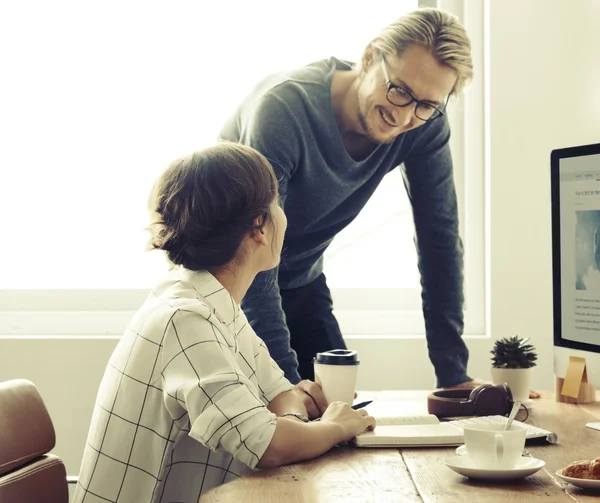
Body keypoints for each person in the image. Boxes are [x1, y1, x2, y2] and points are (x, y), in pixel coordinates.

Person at [72, 142, 375, 503]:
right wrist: (333, 426)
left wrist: (294, 422)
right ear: (258, 227)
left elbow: (283, 394)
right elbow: (268, 446)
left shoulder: (212, 305)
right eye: (276, 203)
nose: (283, 215)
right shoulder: (185, 320)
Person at [219, 7, 477, 389]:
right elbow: (251, 245)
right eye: (400, 90)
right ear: (371, 57)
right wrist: (288, 389)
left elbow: (439, 238)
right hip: (228, 281)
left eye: (425, 105)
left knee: (339, 411)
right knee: (281, 422)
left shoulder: (425, 126)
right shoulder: (284, 109)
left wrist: (454, 377)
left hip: (301, 279)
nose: (405, 116)